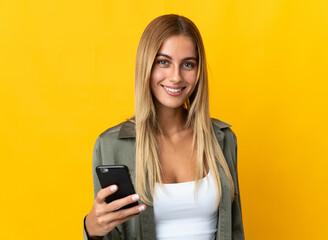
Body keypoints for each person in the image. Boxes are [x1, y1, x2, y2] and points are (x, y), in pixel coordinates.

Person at [84, 14, 245, 240]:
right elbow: (112, 232)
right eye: (163, 62)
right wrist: (92, 230)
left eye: (188, 64)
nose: (176, 76)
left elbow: (235, 230)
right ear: (146, 66)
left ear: (199, 72)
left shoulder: (222, 139)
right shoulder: (111, 144)